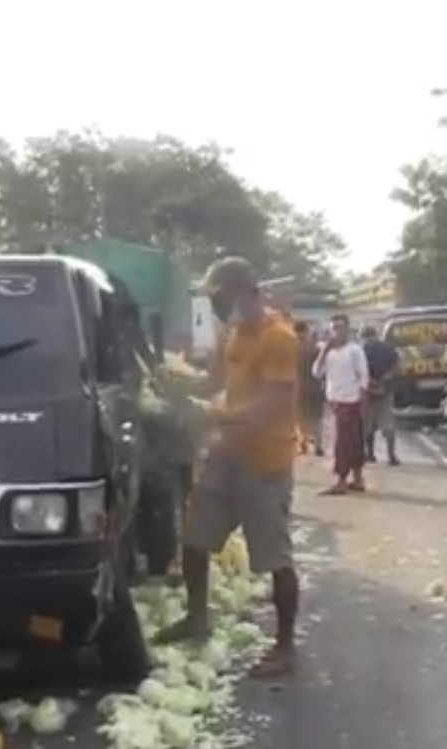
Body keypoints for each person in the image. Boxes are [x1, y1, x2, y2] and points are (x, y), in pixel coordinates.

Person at [155, 256, 301, 678]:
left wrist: (212, 416)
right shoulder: (232, 332)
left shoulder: (280, 338)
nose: (216, 306)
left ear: (244, 292)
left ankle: (285, 647)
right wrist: (175, 383)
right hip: (228, 453)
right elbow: (214, 383)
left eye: (219, 297)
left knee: (275, 557)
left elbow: (271, 407)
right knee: (195, 537)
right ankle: (197, 617)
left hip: (265, 462)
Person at [312, 313, 368, 494]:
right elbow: (317, 373)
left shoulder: (354, 350)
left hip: (350, 400)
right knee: (348, 441)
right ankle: (357, 479)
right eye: (333, 328)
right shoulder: (328, 352)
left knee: (345, 443)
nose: (336, 332)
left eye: (340, 327)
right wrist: (324, 351)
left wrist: (362, 399)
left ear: (347, 330)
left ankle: (343, 480)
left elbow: (363, 375)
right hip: (335, 401)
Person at [358, 324, 400, 465]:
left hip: (368, 393)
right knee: (387, 424)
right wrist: (385, 378)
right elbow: (397, 365)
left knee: (367, 425)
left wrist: (371, 382)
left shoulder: (361, 350)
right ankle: (391, 456)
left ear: (363, 337)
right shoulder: (388, 348)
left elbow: (359, 372)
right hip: (385, 392)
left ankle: (369, 454)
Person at [294, 321, 325, 456]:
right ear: (306, 331)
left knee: (300, 418)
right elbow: (323, 369)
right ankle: (318, 446)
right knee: (316, 419)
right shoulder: (316, 349)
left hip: (297, 389)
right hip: (315, 388)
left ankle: (303, 444)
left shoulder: (291, 348)